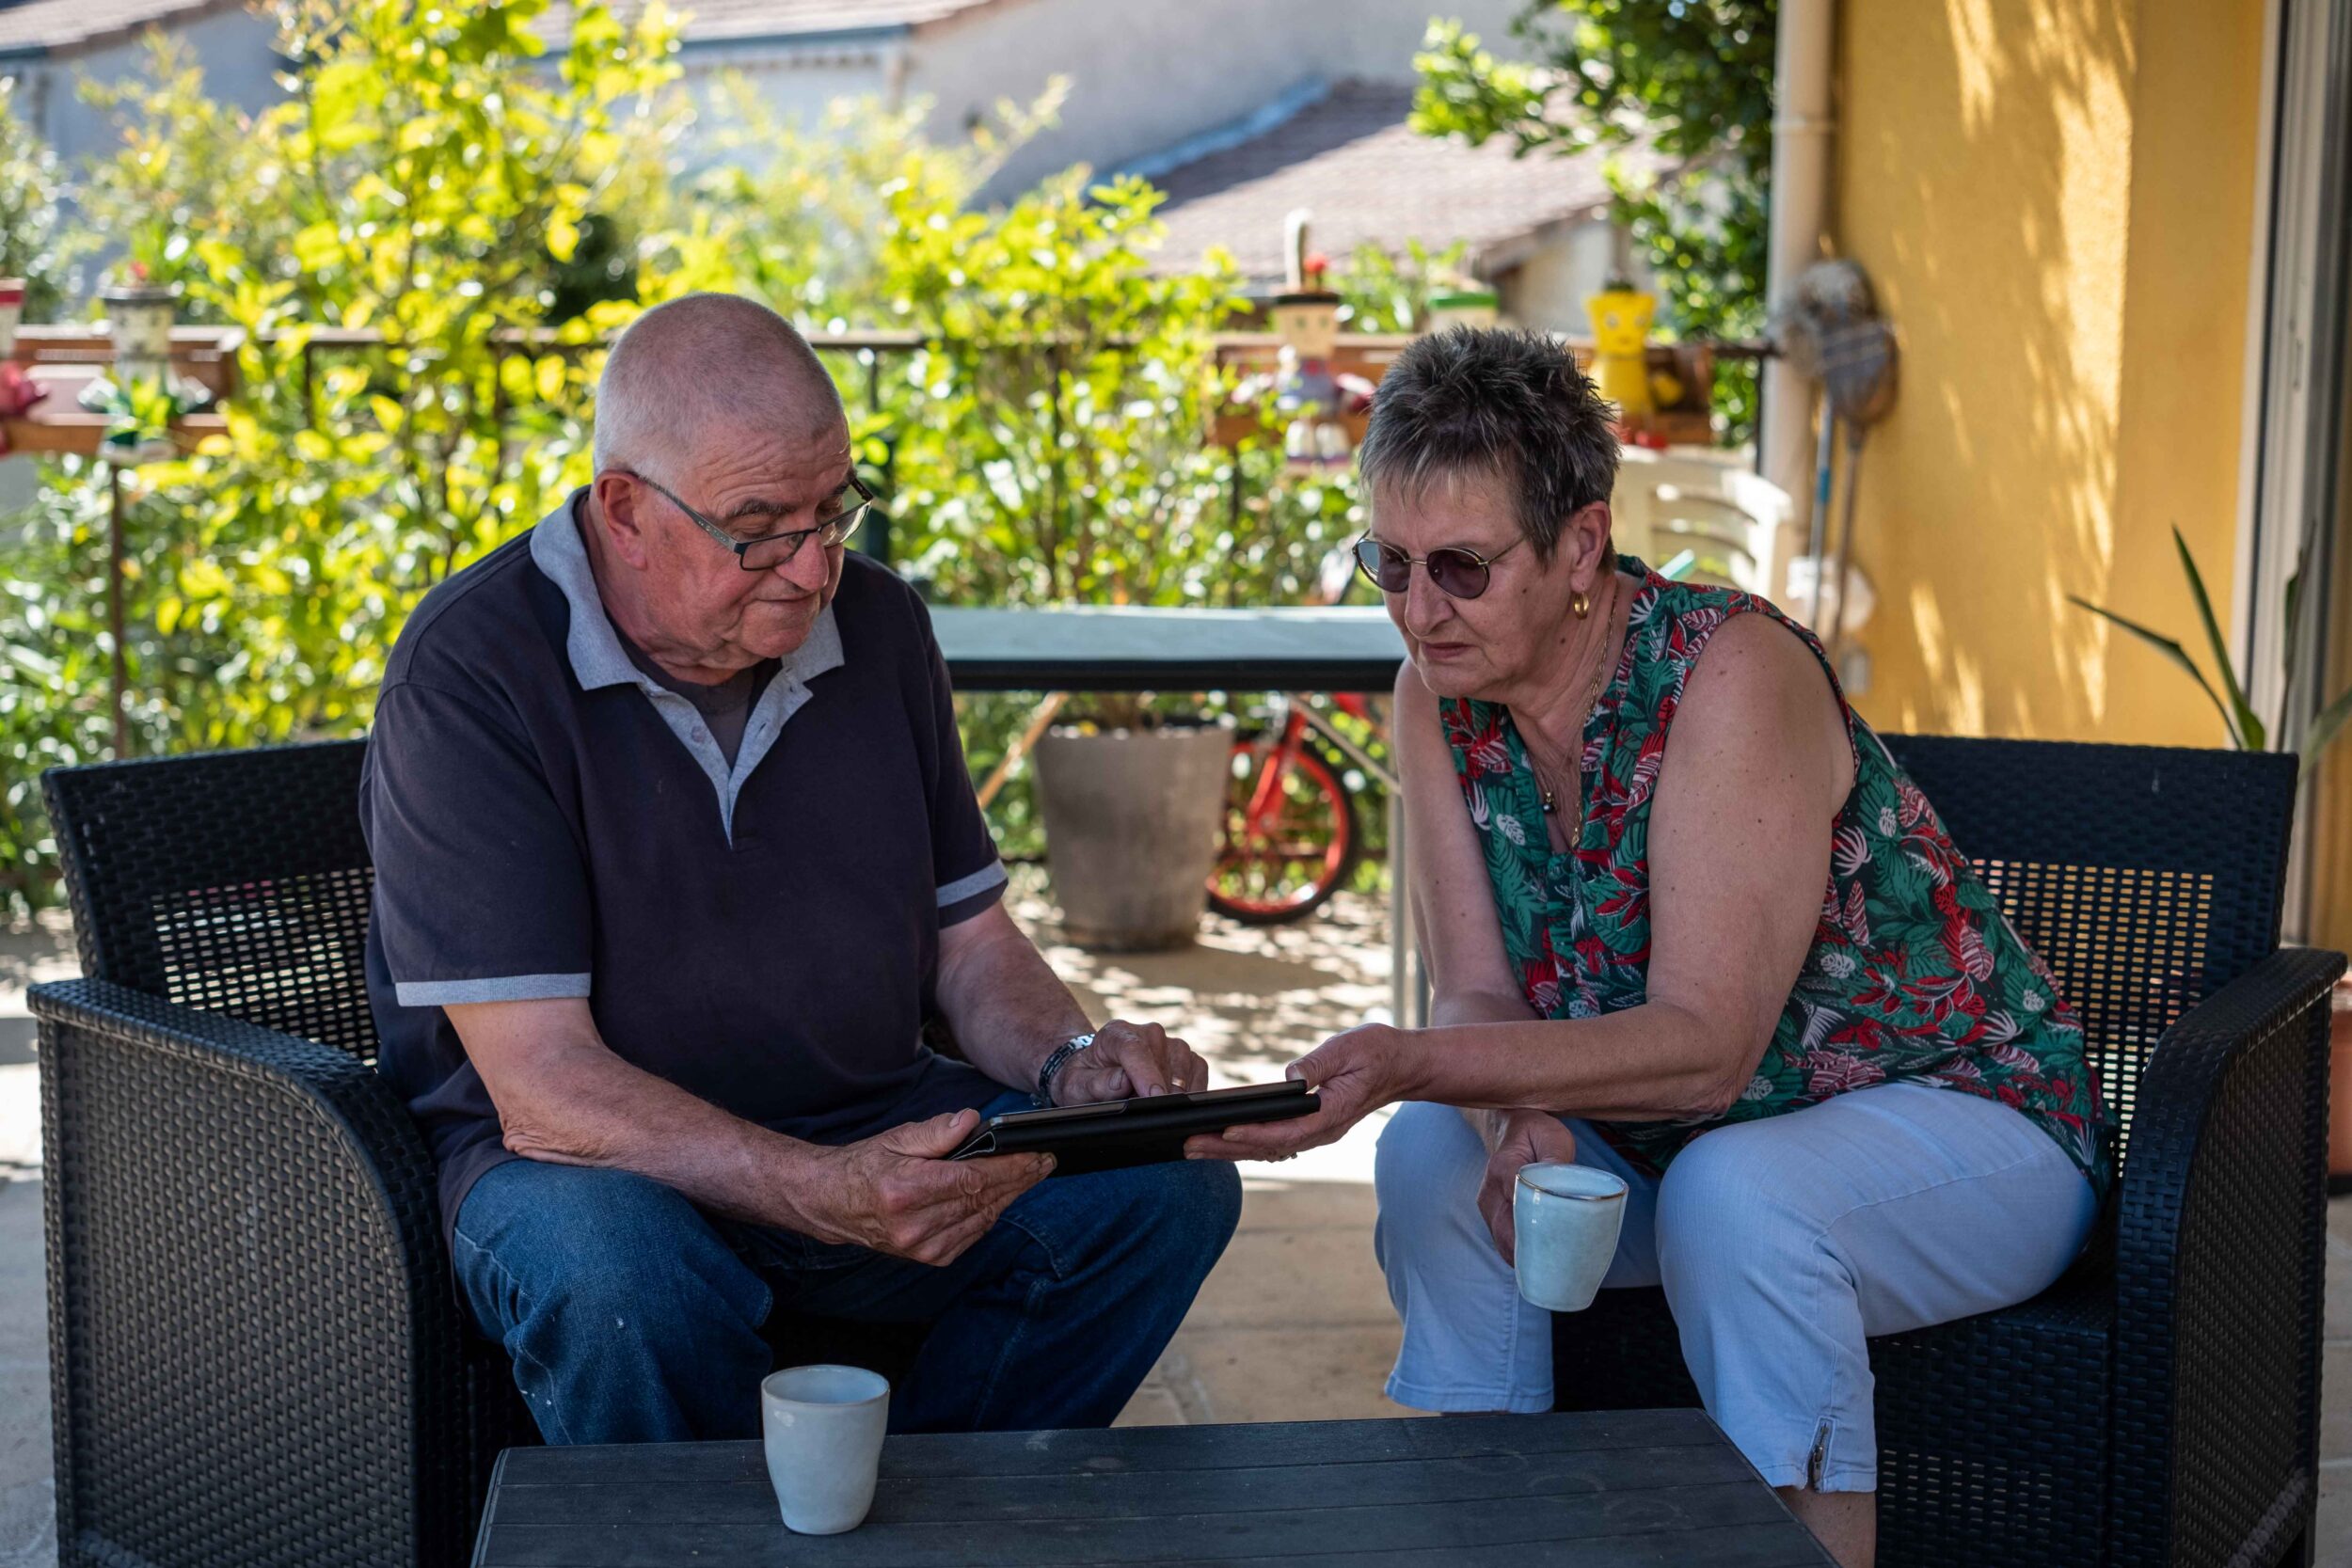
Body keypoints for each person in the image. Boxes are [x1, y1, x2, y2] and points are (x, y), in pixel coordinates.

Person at [1192, 327, 2108, 1568]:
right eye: (1389, 562)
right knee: (1428, 1159)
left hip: (1962, 1120)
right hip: (1693, 1139)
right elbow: (1474, 986)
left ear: (1580, 543)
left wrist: (1411, 1060)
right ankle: (1489, 1526)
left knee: (1741, 1198)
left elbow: (1707, 1050)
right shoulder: (1436, 693)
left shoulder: (1726, 673)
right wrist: (1509, 1114)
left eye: (1461, 566)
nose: (1417, 610)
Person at [360, 292, 1242, 1445]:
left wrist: (1071, 1063)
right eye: (759, 525)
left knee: (1165, 1187)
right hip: (588, 1172)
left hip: (874, 1118)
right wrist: (813, 1188)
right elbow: (544, 1090)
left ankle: (926, 1512)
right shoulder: (472, 671)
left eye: (834, 511)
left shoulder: (879, 625)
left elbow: (969, 942)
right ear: (623, 511)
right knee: (623, 1278)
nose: (813, 565)